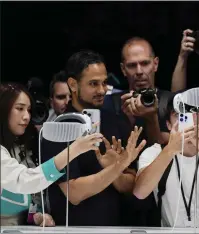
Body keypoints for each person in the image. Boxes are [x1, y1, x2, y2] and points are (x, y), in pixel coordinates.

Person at [41, 50, 146, 226]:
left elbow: (131, 187)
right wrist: (116, 168)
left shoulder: (116, 121)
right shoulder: (58, 129)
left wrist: (115, 172)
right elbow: (74, 193)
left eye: (104, 83)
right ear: (73, 85)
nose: (102, 90)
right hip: (71, 230)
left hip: (115, 228)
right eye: (93, 84)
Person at [0, 83, 102, 226]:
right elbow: (24, 180)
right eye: (20, 108)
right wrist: (73, 150)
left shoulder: (23, 146)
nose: (27, 117)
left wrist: (36, 216)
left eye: (29, 110)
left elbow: (30, 195)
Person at [133, 96, 199, 228]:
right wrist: (170, 150)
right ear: (169, 125)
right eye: (179, 115)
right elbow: (140, 193)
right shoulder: (154, 153)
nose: (185, 121)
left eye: (192, 114)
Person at [103, 37, 172, 146]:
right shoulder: (110, 104)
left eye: (145, 63)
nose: (139, 71)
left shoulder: (171, 102)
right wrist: (127, 121)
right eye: (132, 65)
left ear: (155, 64)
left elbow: (169, 150)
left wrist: (151, 117)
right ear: (123, 69)